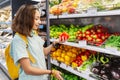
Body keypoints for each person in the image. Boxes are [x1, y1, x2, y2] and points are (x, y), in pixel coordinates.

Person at [10, 4, 66, 80]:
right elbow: (28, 69)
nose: (39, 22)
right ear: (26, 19)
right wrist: (51, 72)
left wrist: (55, 43)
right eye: (36, 19)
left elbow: (43, 52)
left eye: (39, 19)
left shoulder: (33, 34)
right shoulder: (18, 40)